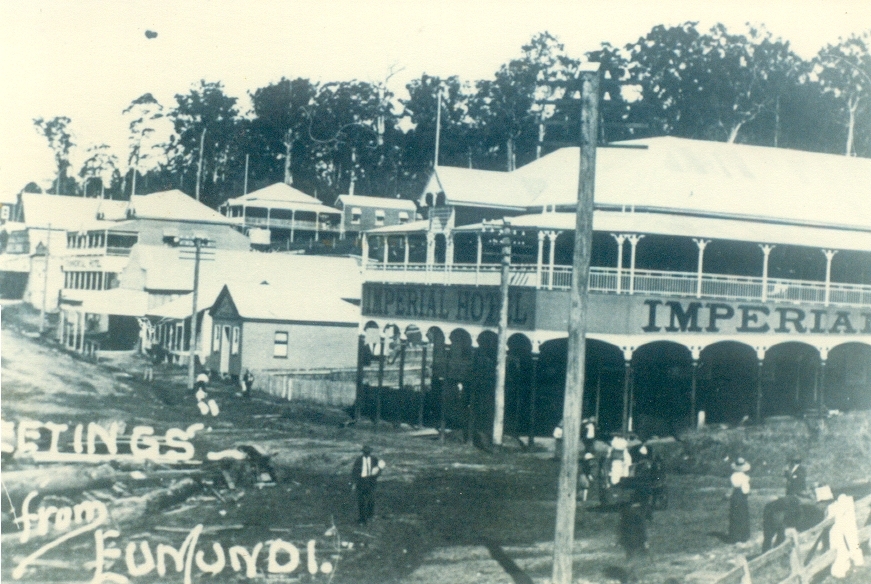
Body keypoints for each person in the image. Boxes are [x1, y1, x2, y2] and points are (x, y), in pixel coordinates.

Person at [350, 445, 385, 524]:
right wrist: (354, 483)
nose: (367, 453)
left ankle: (370, 516)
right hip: (361, 481)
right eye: (365, 452)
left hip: (371, 481)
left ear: (370, 452)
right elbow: (354, 472)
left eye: (368, 452)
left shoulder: (374, 459)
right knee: (361, 501)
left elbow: (379, 469)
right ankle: (362, 519)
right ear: (363, 452)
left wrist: (376, 475)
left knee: (371, 499)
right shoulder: (358, 460)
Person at [728, 457, 751, 543]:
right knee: (743, 515)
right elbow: (745, 490)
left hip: (735, 495)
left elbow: (733, 487)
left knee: (734, 515)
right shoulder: (745, 477)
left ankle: (734, 536)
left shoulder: (733, 476)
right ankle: (743, 537)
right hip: (741, 496)